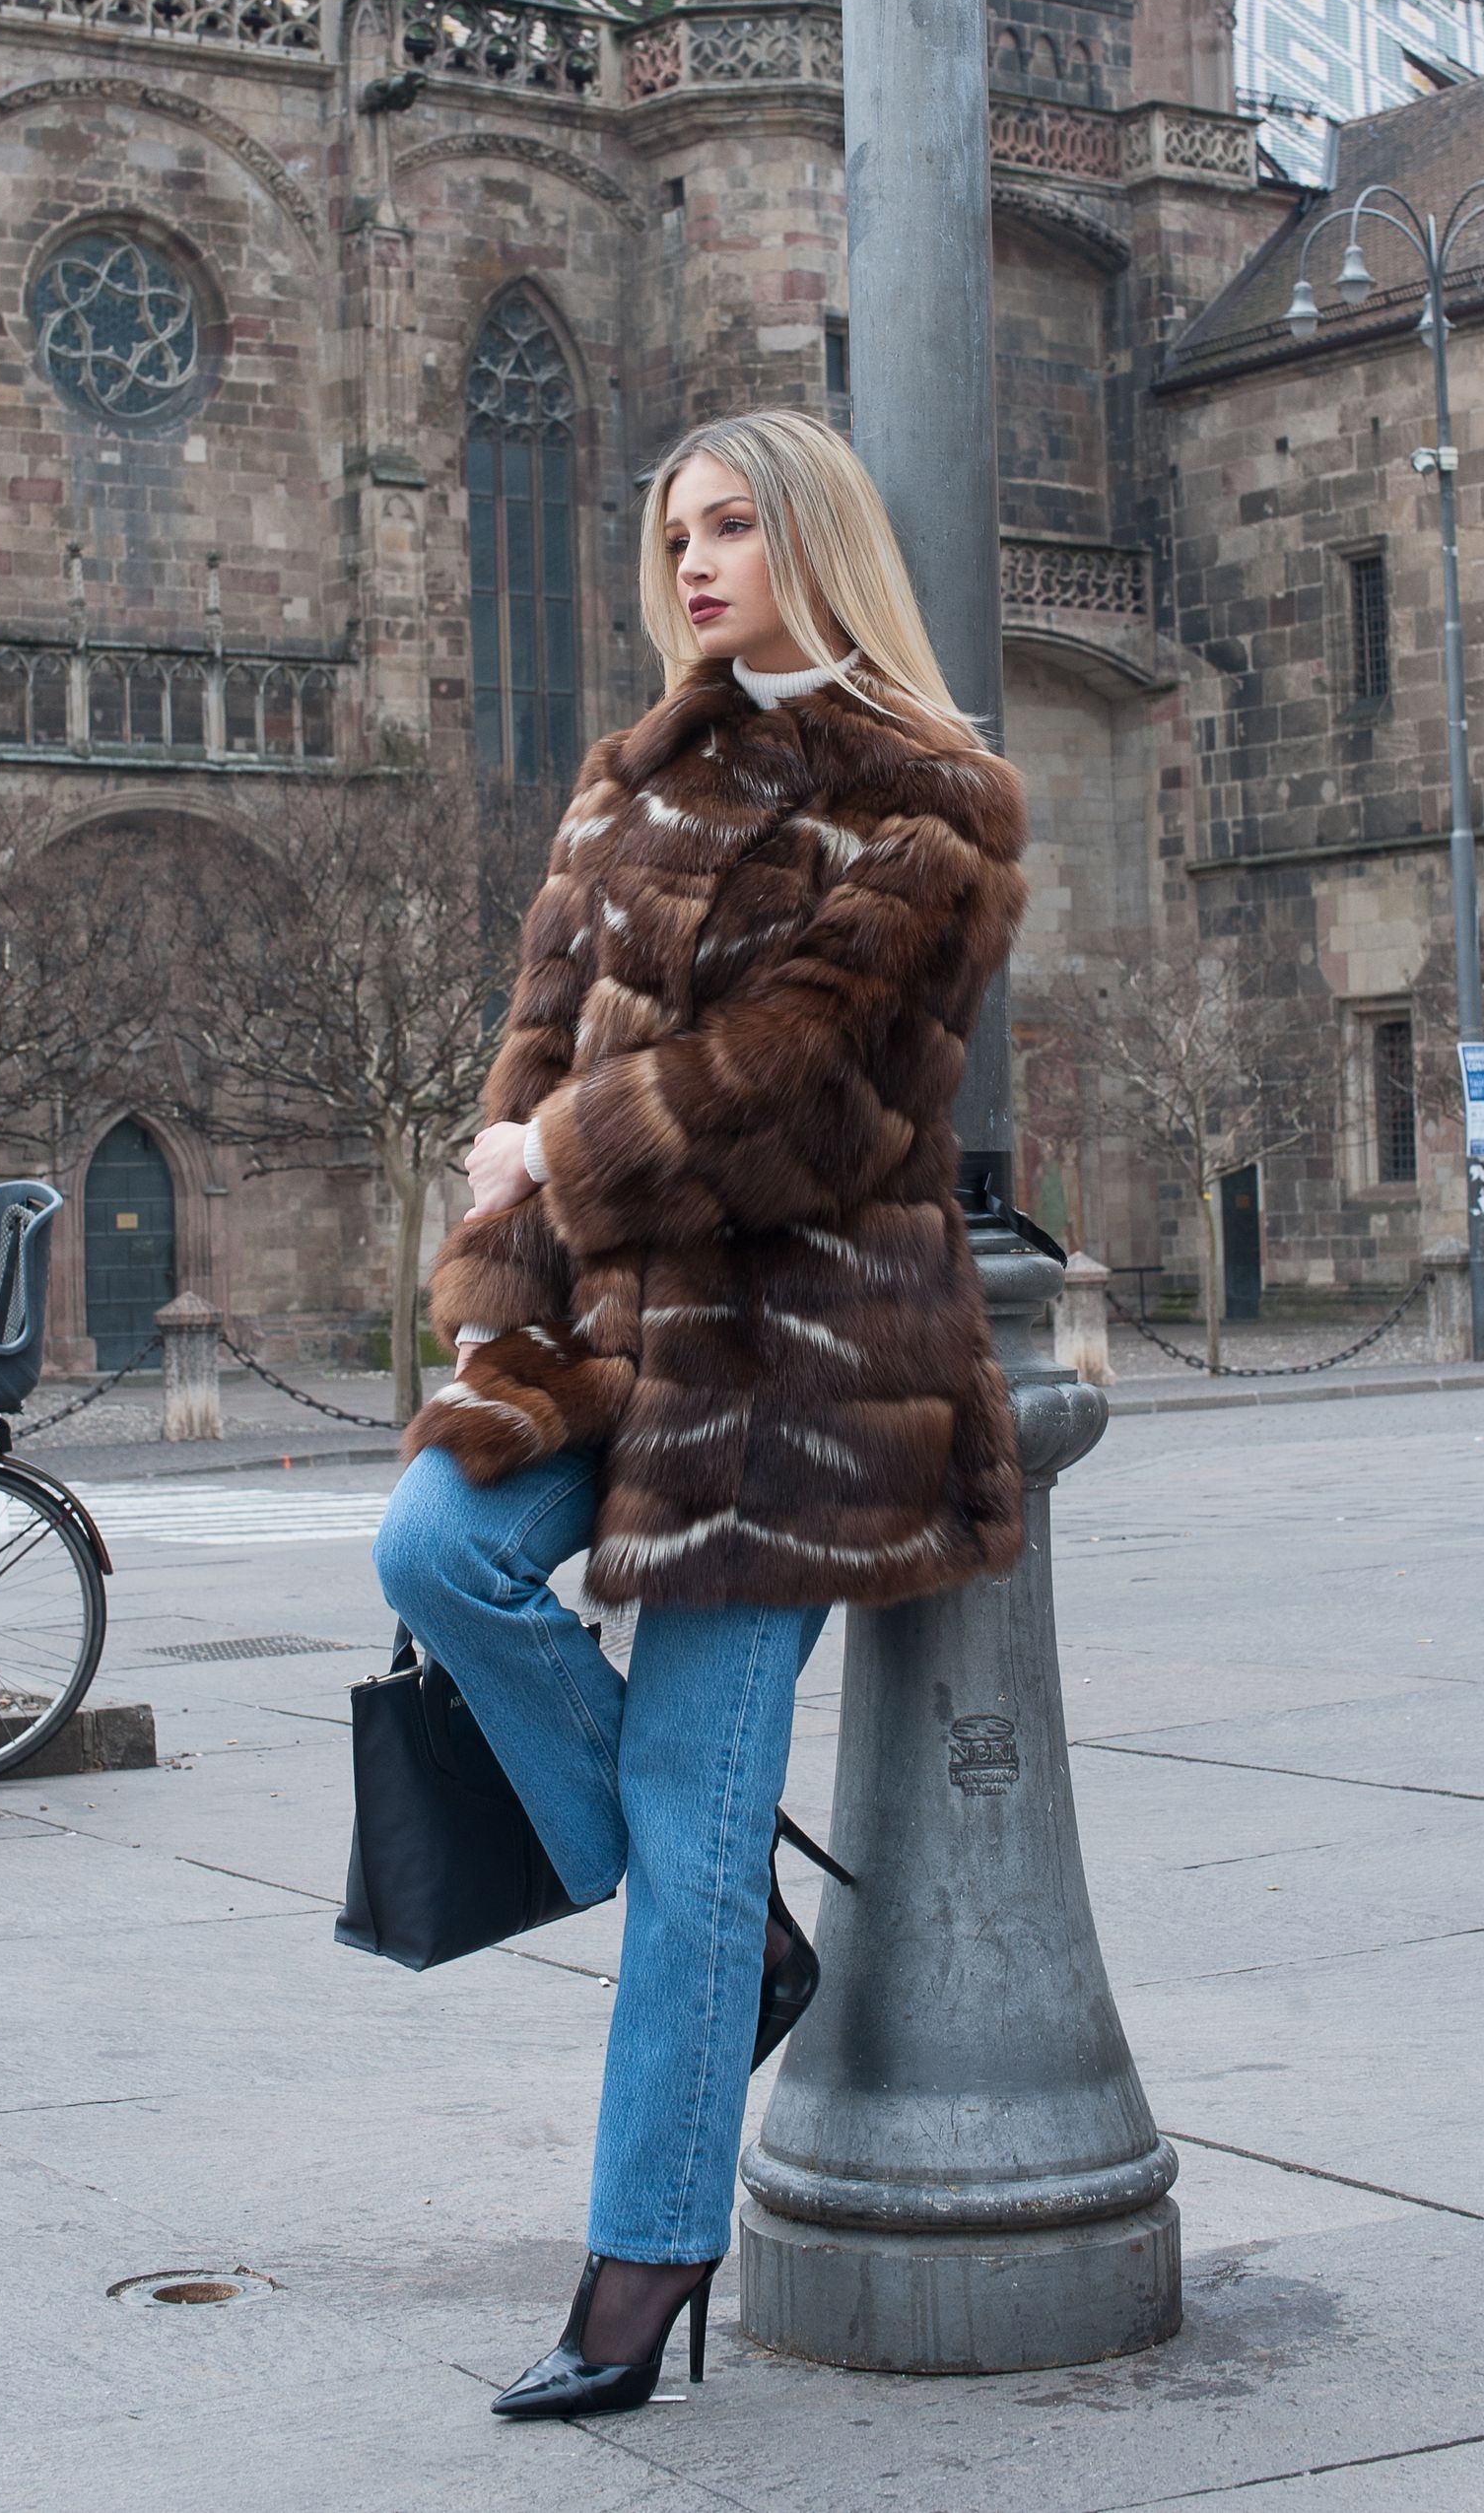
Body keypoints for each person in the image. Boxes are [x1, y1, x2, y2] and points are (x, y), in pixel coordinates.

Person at [372, 406, 1029, 2420]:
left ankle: (641, 2262)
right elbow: (533, 1044)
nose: (698, 563)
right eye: (676, 534)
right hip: (598, 1327)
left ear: (814, 540)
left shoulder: (937, 805)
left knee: (691, 1790)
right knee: (434, 1548)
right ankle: (729, 1945)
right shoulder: (623, 779)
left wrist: (552, 1150)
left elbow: (811, 1095)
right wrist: (504, 1259)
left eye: (736, 526)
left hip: (799, 1373)